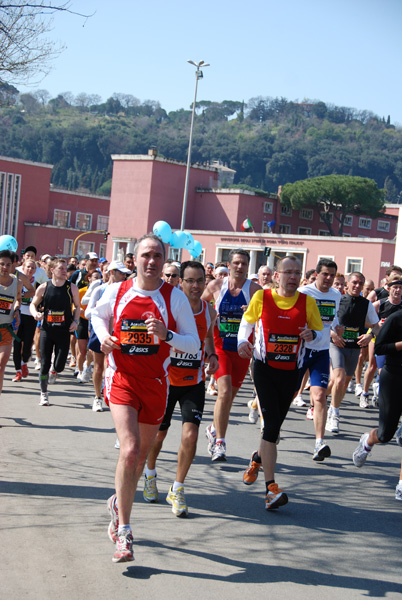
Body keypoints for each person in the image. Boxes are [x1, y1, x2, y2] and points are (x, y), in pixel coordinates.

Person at [91, 233, 199, 563]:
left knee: (139, 460)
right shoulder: (118, 290)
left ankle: (116, 502)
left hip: (156, 383)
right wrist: (104, 336)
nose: (151, 261)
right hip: (122, 378)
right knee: (131, 449)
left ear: (164, 261)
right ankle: (124, 531)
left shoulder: (174, 298)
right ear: (134, 259)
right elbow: (96, 314)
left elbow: (193, 345)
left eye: (157, 256)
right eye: (145, 255)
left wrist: (167, 335)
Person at [238, 255, 323, 509]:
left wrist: (311, 334)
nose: (293, 277)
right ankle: (271, 489)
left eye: (297, 272)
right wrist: (243, 341)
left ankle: (257, 458)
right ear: (277, 275)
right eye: (288, 272)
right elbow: (247, 323)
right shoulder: (261, 297)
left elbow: (319, 335)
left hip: (291, 372)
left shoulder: (308, 302)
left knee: (273, 429)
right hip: (263, 367)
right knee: (272, 425)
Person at [144, 261, 218, 516]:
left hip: (192, 383)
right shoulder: (169, 308)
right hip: (165, 381)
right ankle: (150, 473)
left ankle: (177, 488)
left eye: (200, 281)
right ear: (180, 282)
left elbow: (207, 338)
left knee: (190, 436)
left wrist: (211, 356)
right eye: (190, 281)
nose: (196, 286)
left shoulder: (209, 311)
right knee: (159, 436)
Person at [202, 249, 261, 462]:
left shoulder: (255, 290)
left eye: (243, 263)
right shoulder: (217, 286)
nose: (239, 267)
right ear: (229, 265)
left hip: (242, 349)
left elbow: (265, 317)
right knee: (224, 392)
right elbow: (198, 305)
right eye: (236, 262)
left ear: (248, 266)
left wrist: (253, 313)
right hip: (220, 347)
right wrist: (209, 313)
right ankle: (220, 442)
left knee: (229, 398)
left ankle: (212, 428)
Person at [294, 259, 341, 460]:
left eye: (332, 275)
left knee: (320, 396)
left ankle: (319, 443)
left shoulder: (336, 295)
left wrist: (337, 328)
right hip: (301, 351)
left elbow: (333, 319)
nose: (329, 278)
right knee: (290, 392)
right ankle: (271, 428)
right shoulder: (304, 293)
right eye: (325, 274)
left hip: (322, 352)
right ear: (317, 274)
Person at [352, 309, 402, 501]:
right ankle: (367, 441)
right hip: (394, 377)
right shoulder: (396, 319)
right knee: (385, 434)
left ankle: (400, 485)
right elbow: (380, 348)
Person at [326, 272, 380, 434]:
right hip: (336, 345)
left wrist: (370, 335)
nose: (357, 286)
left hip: (354, 347)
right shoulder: (338, 299)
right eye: (354, 282)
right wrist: (333, 334)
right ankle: (334, 414)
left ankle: (325, 403)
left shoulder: (366, 304)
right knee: (339, 379)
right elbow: (324, 320)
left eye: (360, 284)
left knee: (341, 384)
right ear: (347, 283)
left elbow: (376, 326)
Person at [30, 258, 80, 405]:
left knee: (59, 365)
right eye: (61, 268)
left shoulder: (72, 288)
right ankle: (43, 393)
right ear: (52, 270)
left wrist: (76, 322)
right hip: (47, 330)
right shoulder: (44, 287)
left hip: (64, 330)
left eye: (65, 268)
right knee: (45, 363)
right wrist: (35, 314)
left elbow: (77, 307)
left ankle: (55, 370)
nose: (65, 271)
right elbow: (33, 304)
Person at [84, 261, 130, 411]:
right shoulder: (100, 290)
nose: (124, 276)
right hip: (100, 333)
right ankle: (97, 397)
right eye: (120, 273)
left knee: (111, 366)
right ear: (111, 272)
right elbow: (88, 312)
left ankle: (109, 393)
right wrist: (101, 309)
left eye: (125, 274)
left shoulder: (127, 290)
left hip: (118, 334)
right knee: (98, 367)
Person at [358, 276, 402, 408]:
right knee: (373, 366)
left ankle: (382, 392)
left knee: (387, 369)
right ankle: (365, 393)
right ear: (388, 288)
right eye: (395, 287)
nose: (398, 290)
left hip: (396, 341)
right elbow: (363, 319)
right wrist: (377, 324)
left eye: (400, 288)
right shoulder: (380, 304)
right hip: (378, 338)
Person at [0, 250, 22, 396]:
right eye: (1, 264)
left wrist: (16, 310)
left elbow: (18, 299)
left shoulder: (17, 283)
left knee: (1, 365)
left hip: (6, 328)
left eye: (8, 264)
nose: (5, 267)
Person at [12, 258, 37, 381]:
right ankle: (18, 371)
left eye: (33, 268)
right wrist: (19, 296)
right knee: (17, 343)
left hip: (31, 315)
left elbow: (35, 293)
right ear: (23, 266)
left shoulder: (38, 279)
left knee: (27, 344)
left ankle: (24, 362)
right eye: (28, 267)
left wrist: (22, 295)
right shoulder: (16, 276)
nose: (30, 269)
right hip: (17, 313)